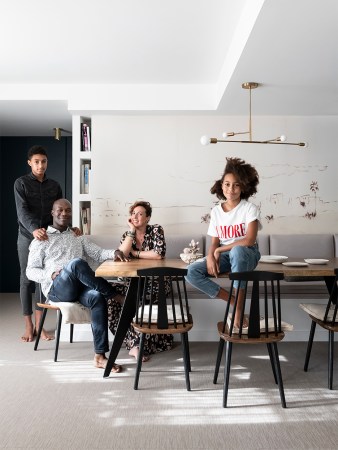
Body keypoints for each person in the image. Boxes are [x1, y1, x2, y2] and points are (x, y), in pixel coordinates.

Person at [26, 198, 129, 372]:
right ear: (52, 213)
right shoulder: (41, 238)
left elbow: (98, 253)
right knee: (75, 264)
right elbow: (30, 271)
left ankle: (100, 356)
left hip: (79, 287)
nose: (64, 213)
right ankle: (115, 295)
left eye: (68, 210)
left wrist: (115, 252)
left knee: (96, 297)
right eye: (60, 210)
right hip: (57, 289)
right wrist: (49, 275)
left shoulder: (76, 236)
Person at [186, 157, 262, 327]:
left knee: (238, 251)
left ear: (243, 187)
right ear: (221, 185)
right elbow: (214, 241)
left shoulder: (249, 208)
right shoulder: (216, 211)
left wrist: (219, 251)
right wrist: (211, 255)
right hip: (225, 255)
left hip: (248, 254)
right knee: (191, 272)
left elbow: (249, 240)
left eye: (236, 184)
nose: (231, 188)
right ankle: (234, 301)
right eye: (227, 184)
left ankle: (239, 311)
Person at [107, 200, 173, 361]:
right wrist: (131, 231)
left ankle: (137, 345)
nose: (135, 216)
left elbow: (158, 254)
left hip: (156, 282)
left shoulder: (156, 230)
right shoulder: (127, 235)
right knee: (111, 297)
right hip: (131, 281)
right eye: (133, 213)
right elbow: (121, 255)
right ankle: (134, 344)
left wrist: (135, 254)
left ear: (148, 217)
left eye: (140, 213)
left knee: (138, 299)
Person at [14, 145, 64, 343]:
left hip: (48, 238)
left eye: (43, 161)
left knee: (42, 279)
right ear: (30, 163)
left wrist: (68, 228)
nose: (40, 165)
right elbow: (22, 211)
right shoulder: (21, 183)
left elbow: (59, 211)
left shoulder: (55, 185)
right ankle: (28, 325)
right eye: (36, 162)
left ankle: (40, 324)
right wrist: (35, 228)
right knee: (26, 278)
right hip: (27, 236)